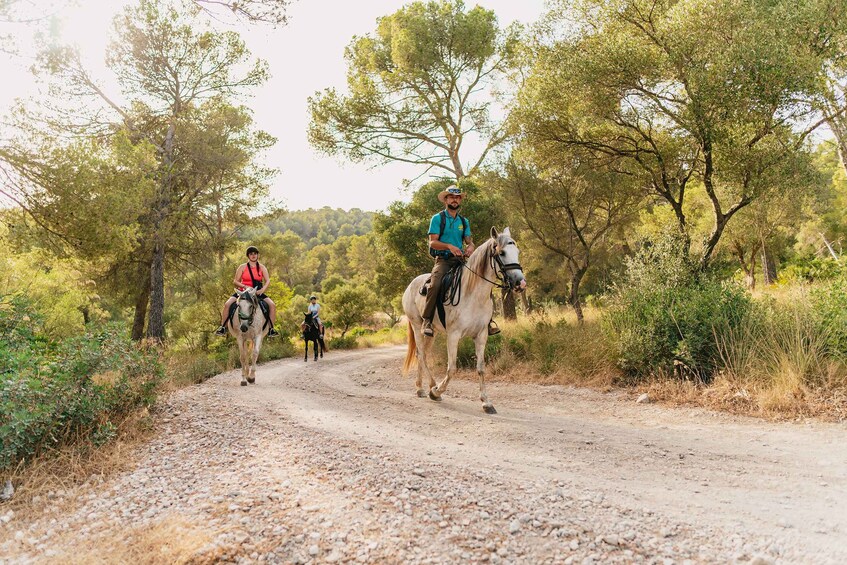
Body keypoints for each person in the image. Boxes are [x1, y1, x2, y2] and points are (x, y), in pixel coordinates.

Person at [421, 185, 500, 337]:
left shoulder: (464, 221)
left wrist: (470, 247)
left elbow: (469, 241)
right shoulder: (438, 219)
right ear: (446, 199)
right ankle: (427, 320)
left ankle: (488, 321)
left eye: (457, 197)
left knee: (484, 283)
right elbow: (433, 242)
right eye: (451, 197)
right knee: (435, 284)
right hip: (443, 261)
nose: (455, 200)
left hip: (461, 261)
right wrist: (449, 246)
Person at [215, 246, 279, 337]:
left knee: (272, 305)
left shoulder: (262, 267)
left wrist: (262, 290)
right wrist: (244, 286)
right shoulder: (242, 267)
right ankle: (223, 328)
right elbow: (235, 281)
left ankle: (271, 329)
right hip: (243, 292)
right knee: (227, 304)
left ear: (257, 255)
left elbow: (268, 280)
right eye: (251, 254)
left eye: (255, 254)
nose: (253, 255)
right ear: (248, 256)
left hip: (256, 292)